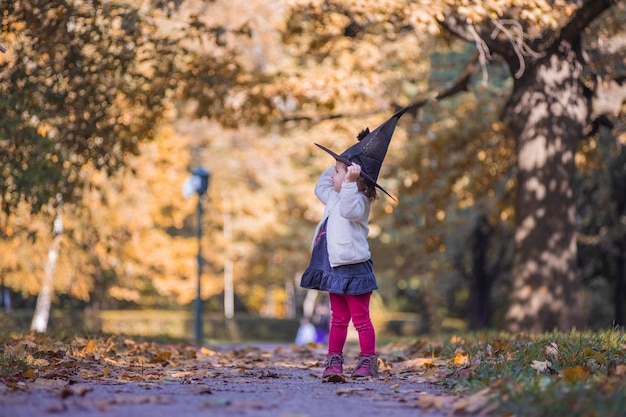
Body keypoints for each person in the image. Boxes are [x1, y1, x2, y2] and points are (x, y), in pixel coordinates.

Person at [300, 103, 416, 382]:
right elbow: (321, 188)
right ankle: (334, 360)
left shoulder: (358, 201)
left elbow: (350, 209)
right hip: (332, 266)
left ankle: (367, 361)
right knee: (337, 319)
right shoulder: (335, 195)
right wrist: (337, 167)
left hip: (353, 267)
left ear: (357, 182)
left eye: (338, 172)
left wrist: (350, 181)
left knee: (360, 319)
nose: (333, 175)